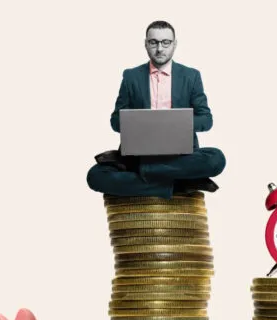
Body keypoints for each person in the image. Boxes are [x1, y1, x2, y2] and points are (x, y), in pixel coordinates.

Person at [86, 21, 226, 199]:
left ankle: (146, 173)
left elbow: (206, 120)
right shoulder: (131, 76)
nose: (160, 48)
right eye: (154, 42)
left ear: (174, 44)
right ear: (146, 44)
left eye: (166, 42)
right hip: (139, 154)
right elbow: (115, 122)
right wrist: (138, 121)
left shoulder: (191, 76)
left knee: (217, 158)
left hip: (181, 158)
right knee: (95, 176)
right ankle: (177, 185)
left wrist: (174, 122)